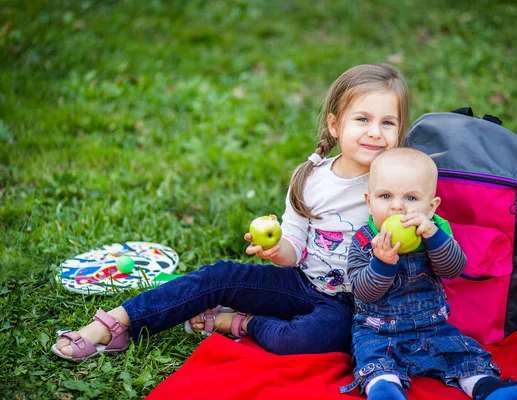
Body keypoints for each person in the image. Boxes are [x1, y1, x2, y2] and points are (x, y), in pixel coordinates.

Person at [51, 63, 411, 362]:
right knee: (218, 276)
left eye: (387, 123)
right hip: (303, 285)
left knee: (308, 341)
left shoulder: (401, 180)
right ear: (335, 125)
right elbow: (295, 249)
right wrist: (275, 250)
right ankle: (116, 324)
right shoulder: (311, 178)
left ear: (400, 130)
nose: (375, 133)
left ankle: (241, 323)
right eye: (362, 119)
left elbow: (427, 232)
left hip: (356, 305)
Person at [340, 148, 517, 400]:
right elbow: (364, 292)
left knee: (464, 353)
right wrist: (383, 263)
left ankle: (488, 389)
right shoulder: (363, 242)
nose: (397, 206)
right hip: (378, 331)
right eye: (385, 195)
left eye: (411, 198)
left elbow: (454, 268)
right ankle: (385, 390)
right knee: (373, 359)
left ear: (431, 207)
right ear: (369, 201)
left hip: (432, 328)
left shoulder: (437, 233)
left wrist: (434, 237)